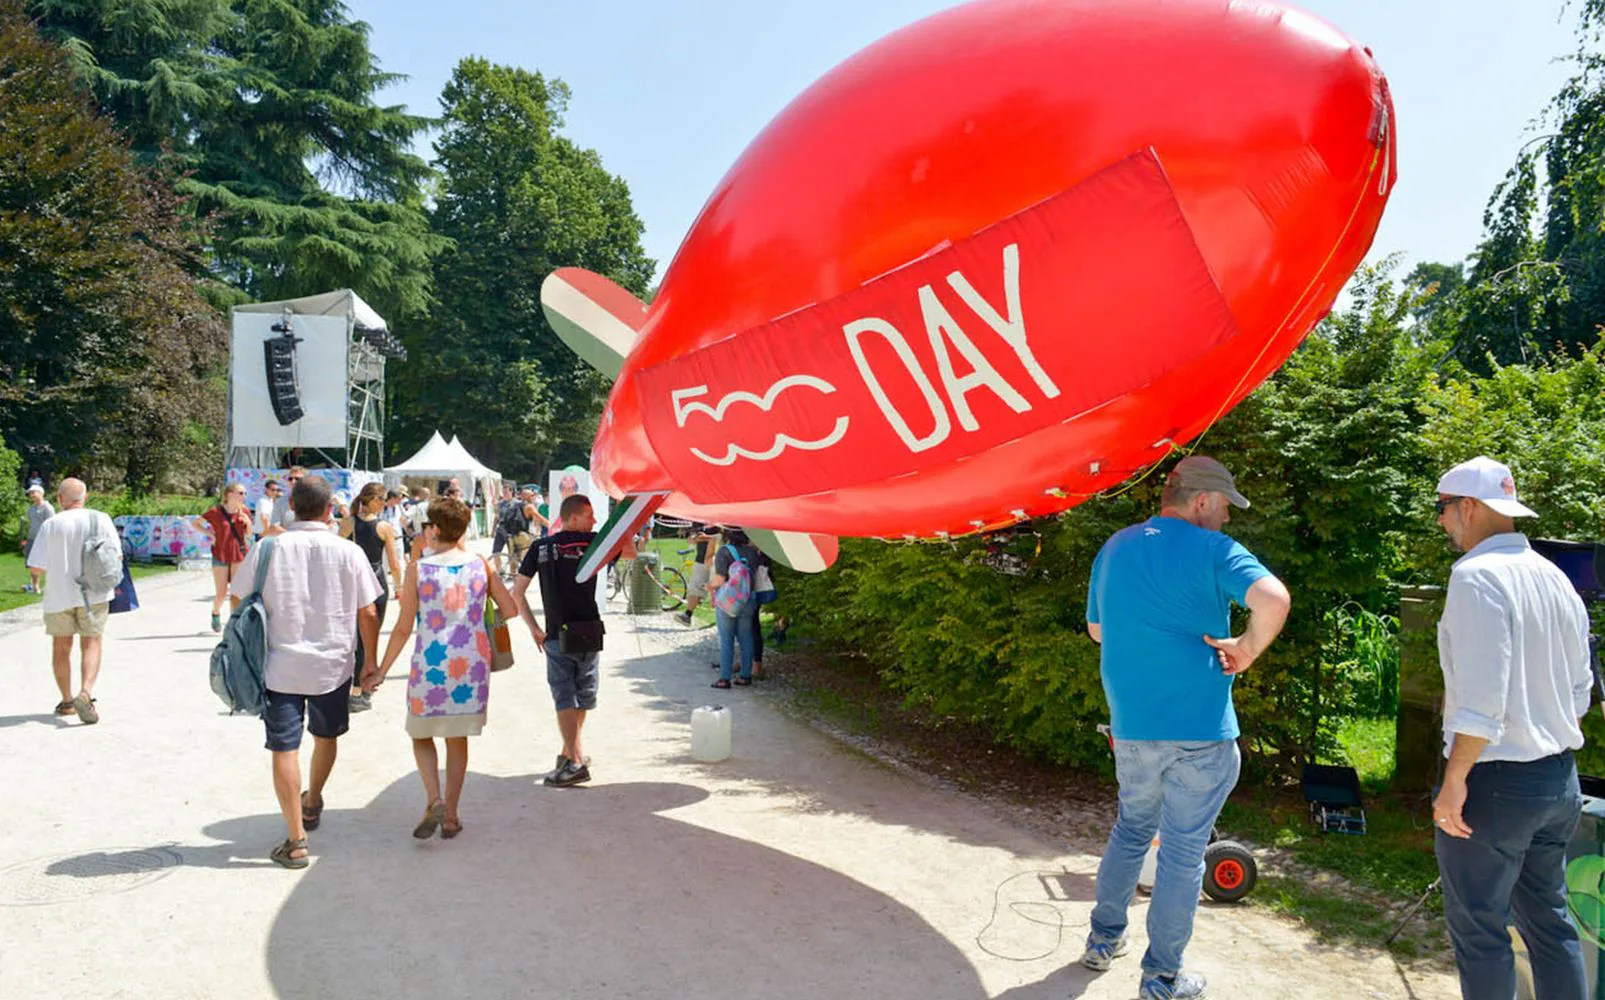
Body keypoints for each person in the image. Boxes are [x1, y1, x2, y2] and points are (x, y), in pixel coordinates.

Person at [1080, 455, 1290, 1000]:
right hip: (1202, 733)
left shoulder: (1117, 547)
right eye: (1223, 507)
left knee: (1131, 830)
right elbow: (1273, 598)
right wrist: (1245, 650)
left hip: (1132, 728)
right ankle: (1162, 979)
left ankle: (1103, 942)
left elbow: (1098, 631)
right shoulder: (1216, 550)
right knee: (1180, 853)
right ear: (1201, 501)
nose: (1226, 519)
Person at [1431, 456, 1592, 1000]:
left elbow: (1481, 702)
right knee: (1550, 925)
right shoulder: (1554, 577)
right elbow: (1580, 694)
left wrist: (1455, 782)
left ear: (1470, 508)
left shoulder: (1476, 577)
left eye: (1443, 507)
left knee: (1481, 932)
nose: (1441, 521)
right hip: (1559, 780)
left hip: (1496, 781)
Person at [231, 475, 381, 869]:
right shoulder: (349, 552)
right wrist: (371, 662)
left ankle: (296, 839)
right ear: (330, 509)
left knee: (284, 747)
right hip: (333, 664)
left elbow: (237, 598)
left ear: (291, 507)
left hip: (279, 665)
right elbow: (368, 611)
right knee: (326, 735)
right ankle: (313, 799)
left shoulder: (268, 548)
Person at [370, 497, 518, 839]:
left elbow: (404, 626)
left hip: (430, 664)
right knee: (457, 739)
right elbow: (509, 609)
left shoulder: (418, 570)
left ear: (434, 529)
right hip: (471, 665)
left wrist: (380, 669)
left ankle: (433, 798)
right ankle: (451, 815)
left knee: (420, 734)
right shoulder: (481, 565)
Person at [514, 493, 633, 787]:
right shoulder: (595, 544)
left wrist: (533, 628)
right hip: (590, 632)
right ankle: (572, 756)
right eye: (590, 516)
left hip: (556, 633)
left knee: (565, 697)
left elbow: (517, 593)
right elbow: (630, 552)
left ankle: (573, 758)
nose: (594, 521)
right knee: (581, 697)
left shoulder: (540, 548)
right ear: (575, 517)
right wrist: (625, 521)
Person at [26, 478, 117, 724]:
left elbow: (36, 565)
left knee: (61, 647)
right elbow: (116, 555)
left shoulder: (51, 524)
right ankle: (85, 693)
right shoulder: (101, 519)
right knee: (92, 643)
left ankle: (67, 701)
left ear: (60, 499)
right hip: (94, 593)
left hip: (59, 595)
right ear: (85, 497)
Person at [340, 482, 403, 712]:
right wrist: (400, 587)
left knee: (354, 639)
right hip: (376, 583)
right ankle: (362, 690)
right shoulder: (384, 527)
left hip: (354, 583)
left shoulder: (348, 523)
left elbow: (339, 554)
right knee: (370, 639)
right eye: (381, 499)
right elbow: (394, 564)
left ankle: (354, 688)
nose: (384, 504)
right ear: (372, 500)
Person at [194, 483, 253, 633]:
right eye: (240, 493)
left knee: (236, 591)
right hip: (220, 553)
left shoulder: (244, 511)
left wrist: (247, 522)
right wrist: (210, 535)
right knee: (221, 592)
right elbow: (196, 524)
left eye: (244, 493)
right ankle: (215, 612)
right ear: (229, 494)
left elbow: (249, 534)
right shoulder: (216, 511)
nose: (243, 496)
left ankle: (234, 622)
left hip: (238, 554)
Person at [710, 528, 762, 690]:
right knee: (746, 638)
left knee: (726, 639)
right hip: (747, 600)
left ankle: (725, 679)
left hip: (727, 602)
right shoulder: (754, 553)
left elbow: (719, 580)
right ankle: (745, 676)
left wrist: (709, 586)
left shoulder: (724, 552)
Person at [677, 523, 721, 626]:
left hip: (717, 561)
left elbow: (723, 537)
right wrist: (694, 538)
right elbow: (691, 539)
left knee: (719, 590)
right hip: (701, 561)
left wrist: (705, 538)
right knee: (695, 588)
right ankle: (687, 615)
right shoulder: (700, 523)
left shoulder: (721, 523)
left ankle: (723, 620)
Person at [20, 484, 53, 594]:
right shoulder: (31, 509)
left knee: (45, 562)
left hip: (44, 538)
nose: (32, 495)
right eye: (30, 493)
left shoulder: (47, 507)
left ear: (41, 493)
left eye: (34, 492)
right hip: (31, 538)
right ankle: (35, 587)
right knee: (32, 563)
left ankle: (50, 586)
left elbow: (52, 524)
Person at [265, 466, 307, 535]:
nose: (293, 481)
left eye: (297, 479)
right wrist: (293, 536)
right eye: (290, 479)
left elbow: (329, 522)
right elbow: (274, 526)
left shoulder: (314, 499)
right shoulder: (280, 502)